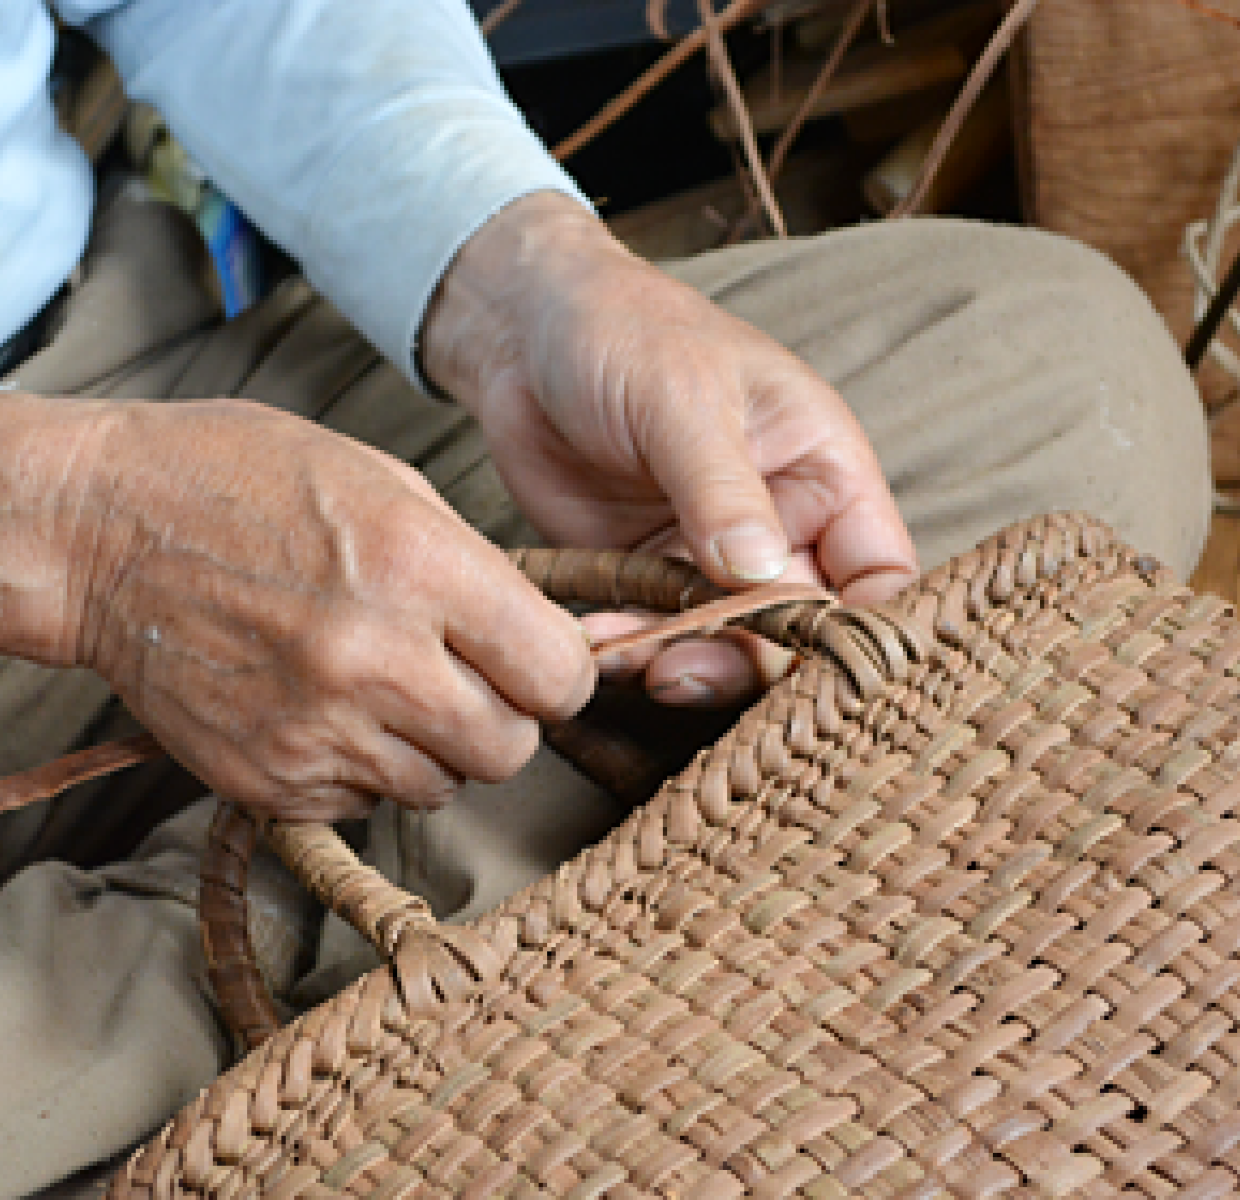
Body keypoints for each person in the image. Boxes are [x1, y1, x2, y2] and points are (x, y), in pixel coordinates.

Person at [0, 0, 1211, 1193]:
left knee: (1045, 362)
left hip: (120, 363)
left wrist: (524, 285)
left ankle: (212, 1029)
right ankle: (283, 1009)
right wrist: (82, 524)